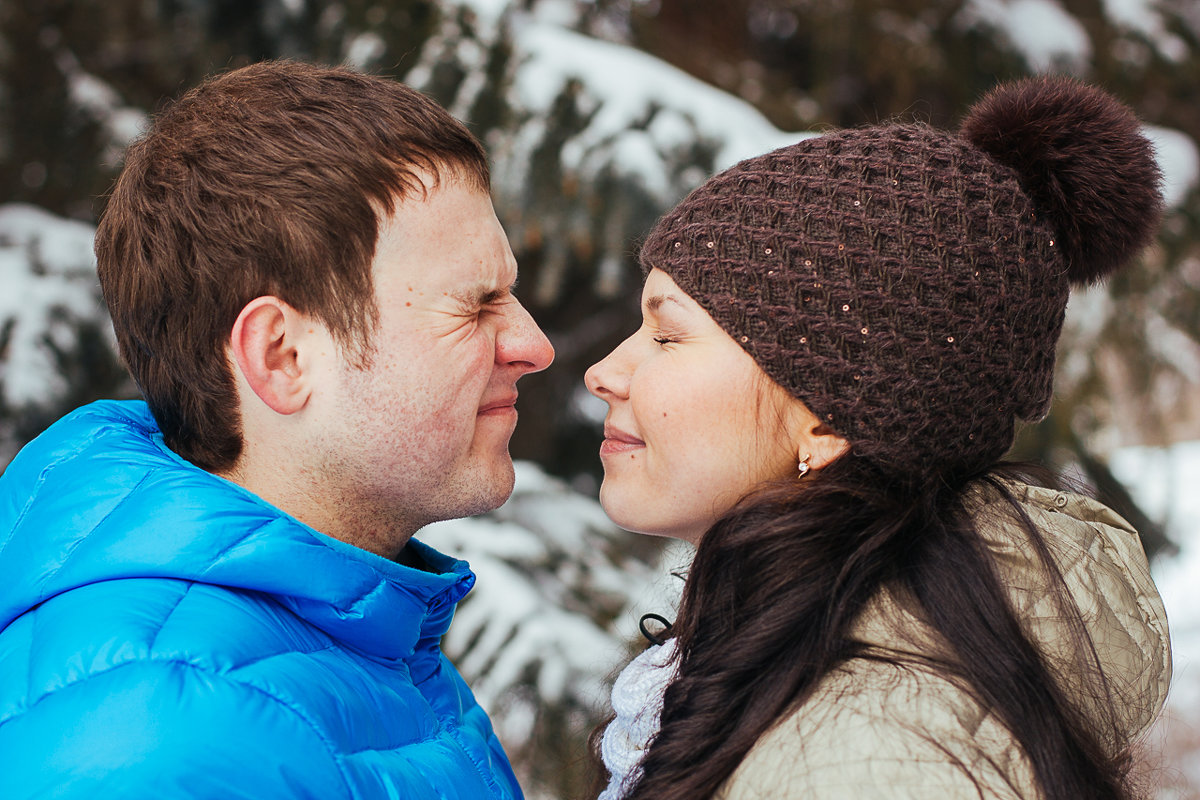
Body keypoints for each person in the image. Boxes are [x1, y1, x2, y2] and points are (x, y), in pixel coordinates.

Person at [585, 76, 1171, 800]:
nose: (603, 372)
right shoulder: (799, 683)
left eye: (668, 335)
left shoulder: (868, 763)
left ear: (830, 419)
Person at [0, 61, 552, 798]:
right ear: (282, 357)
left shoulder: (364, 637)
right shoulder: (157, 748)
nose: (532, 344)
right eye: (477, 304)